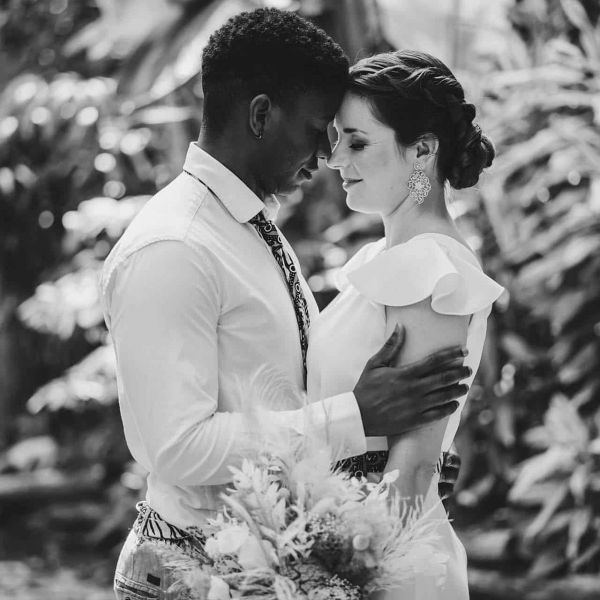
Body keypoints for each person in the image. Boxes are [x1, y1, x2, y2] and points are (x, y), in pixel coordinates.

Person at [99, 9, 471, 600]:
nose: (327, 156)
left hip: (269, 569)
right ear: (261, 115)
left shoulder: (247, 227)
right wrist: (356, 418)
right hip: (191, 574)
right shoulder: (176, 246)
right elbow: (178, 447)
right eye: (319, 129)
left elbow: (282, 395)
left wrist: (380, 470)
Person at [307, 49, 505, 599]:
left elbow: (414, 469)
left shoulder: (431, 270)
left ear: (423, 150)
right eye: (336, 139)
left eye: (357, 142)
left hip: (383, 563)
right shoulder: (384, 260)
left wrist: (341, 581)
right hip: (336, 535)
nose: (335, 159)